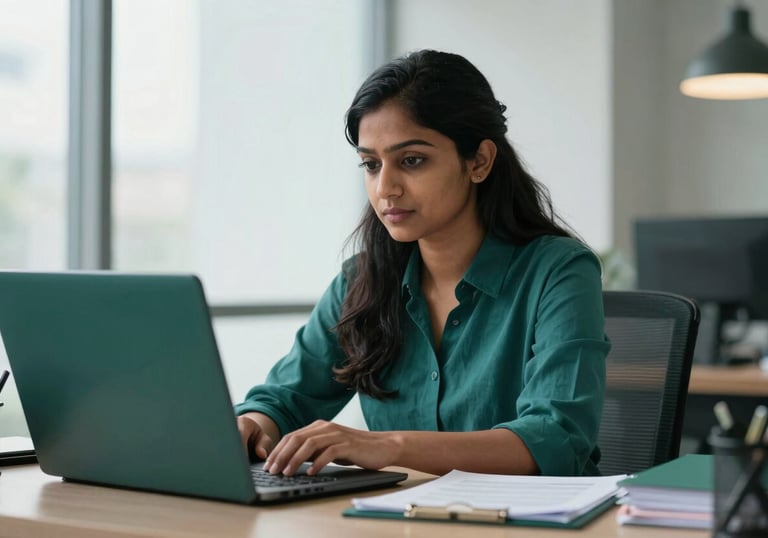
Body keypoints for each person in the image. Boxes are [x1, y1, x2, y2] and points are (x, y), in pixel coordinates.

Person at [235, 49, 609, 478]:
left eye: (412, 160)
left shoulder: (559, 271)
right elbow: (285, 399)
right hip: (400, 511)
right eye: (371, 164)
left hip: (530, 513)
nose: (385, 188)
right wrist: (252, 425)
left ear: (479, 161)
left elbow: (556, 436)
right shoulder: (361, 279)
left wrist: (387, 446)